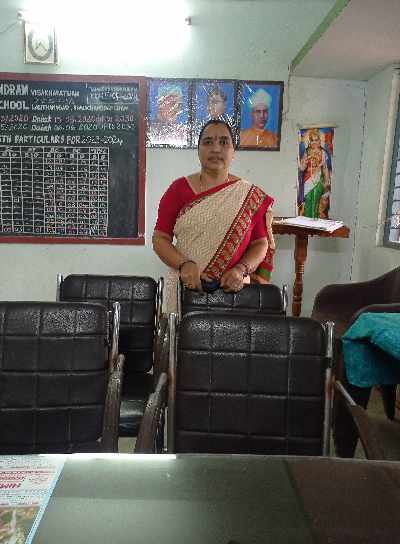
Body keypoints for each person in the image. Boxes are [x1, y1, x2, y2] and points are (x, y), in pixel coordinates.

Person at [153, 119, 275, 312]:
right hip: (186, 288)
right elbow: (160, 238)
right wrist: (184, 265)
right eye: (208, 142)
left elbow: (260, 244)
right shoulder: (178, 189)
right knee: (182, 331)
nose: (216, 149)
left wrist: (241, 269)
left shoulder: (248, 195)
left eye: (224, 142)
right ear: (198, 150)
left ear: (233, 151)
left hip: (235, 292)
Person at [298, 128, 331, 219]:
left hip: (318, 178)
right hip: (308, 178)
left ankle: (315, 219)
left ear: (320, 141)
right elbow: (302, 168)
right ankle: (306, 219)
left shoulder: (323, 153)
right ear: (309, 141)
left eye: (316, 140)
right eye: (312, 140)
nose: (314, 142)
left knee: (316, 199)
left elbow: (325, 168)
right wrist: (303, 163)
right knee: (308, 198)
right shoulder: (306, 152)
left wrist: (327, 181)